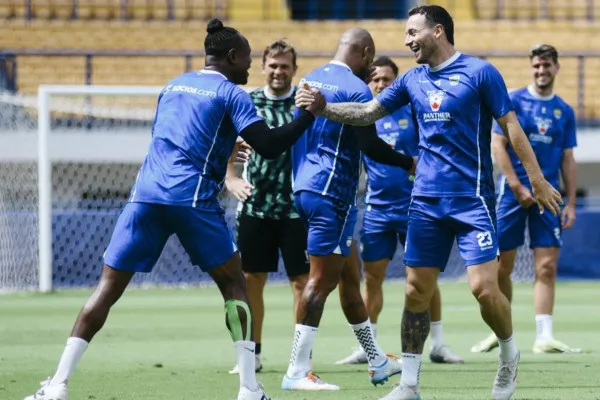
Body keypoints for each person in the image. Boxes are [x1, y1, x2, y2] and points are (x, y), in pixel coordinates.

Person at [24, 18, 326, 400]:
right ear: (231, 56)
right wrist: (308, 114)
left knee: (107, 288)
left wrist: (222, 149)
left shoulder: (172, 86)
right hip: (191, 199)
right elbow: (269, 145)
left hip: (145, 196)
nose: (249, 66)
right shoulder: (234, 94)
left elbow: (174, 140)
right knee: (235, 283)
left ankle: (58, 385)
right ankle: (250, 388)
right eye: (247, 59)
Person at [296, 5, 563, 400]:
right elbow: (368, 111)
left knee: (484, 290)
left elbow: (510, 126)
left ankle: (509, 354)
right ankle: (409, 384)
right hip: (423, 203)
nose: (407, 41)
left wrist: (537, 179)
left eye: (412, 32)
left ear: (438, 31)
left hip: (472, 201)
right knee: (415, 293)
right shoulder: (412, 80)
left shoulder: (480, 73)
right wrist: (325, 109)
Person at [281, 28, 413, 391]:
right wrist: (408, 162)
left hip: (304, 187)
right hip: (332, 194)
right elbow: (370, 145)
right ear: (367, 52)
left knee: (349, 280)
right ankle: (296, 369)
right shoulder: (357, 90)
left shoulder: (307, 81)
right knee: (320, 282)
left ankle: (376, 360)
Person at [335, 56, 463, 366]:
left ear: (396, 82)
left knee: (424, 278)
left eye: (387, 79)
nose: (380, 84)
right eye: (375, 79)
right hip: (377, 210)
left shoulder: (414, 111)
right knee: (372, 279)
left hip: (415, 208)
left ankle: (438, 344)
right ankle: (368, 347)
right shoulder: (364, 116)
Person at [471, 44, 579, 355]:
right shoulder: (514, 100)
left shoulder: (565, 111)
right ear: (531, 68)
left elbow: (568, 159)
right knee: (501, 267)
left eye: (547, 66)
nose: (541, 71)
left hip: (550, 197)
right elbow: (498, 145)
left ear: (556, 68)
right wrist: (518, 186)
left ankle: (544, 336)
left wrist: (570, 202)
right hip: (512, 195)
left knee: (546, 267)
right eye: (537, 66)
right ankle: (501, 331)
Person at [225, 39, 311, 374]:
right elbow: (222, 147)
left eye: (285, 66)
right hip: (254, 207)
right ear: (262, 67)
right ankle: (252, 355)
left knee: (302, 283)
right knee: (250, 281)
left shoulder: (305, 105)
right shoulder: (246, 101)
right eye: (273, 66)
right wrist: (231, 179)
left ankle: (300, 361)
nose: (278, 71)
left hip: (295, 209)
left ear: (294, 69)